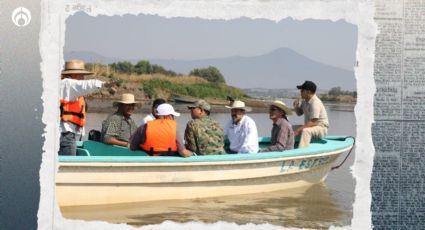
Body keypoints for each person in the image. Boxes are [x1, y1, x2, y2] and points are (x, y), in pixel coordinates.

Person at [59, 59, 115, 156]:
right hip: (65, 136)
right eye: (81, 75)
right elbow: (86, 85)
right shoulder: (68, 83)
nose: (83, 78)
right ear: (73, 75)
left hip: (63, 135)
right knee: (69, 167)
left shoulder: (66, 87)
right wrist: (104, 84)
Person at [293, 80, 329, 148]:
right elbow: (299, 113)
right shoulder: (305, 101)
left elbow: (313, 121)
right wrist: (296, 107)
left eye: (302, 91)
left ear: (308, 92)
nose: (300, 92)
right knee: (290, 128)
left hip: (321, 128)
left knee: (305, 131)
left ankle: (302, 152)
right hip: (311, 126)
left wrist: (298, 130)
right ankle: (287, 147)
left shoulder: (315, 103)